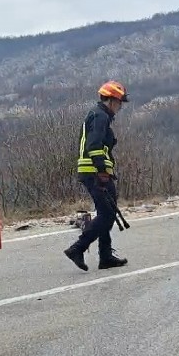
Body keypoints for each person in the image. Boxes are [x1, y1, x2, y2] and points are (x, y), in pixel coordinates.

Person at [64, 80, 131, 270]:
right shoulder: (100, 116)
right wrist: (102, 171)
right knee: (107, 214)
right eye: (119, 102)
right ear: (111, 101)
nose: (120, 107)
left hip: (94, 171)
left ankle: (106, 256)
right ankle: (78, 248)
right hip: (94, 172)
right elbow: (93, 145)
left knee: (106, 213)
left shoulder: (99, 115)